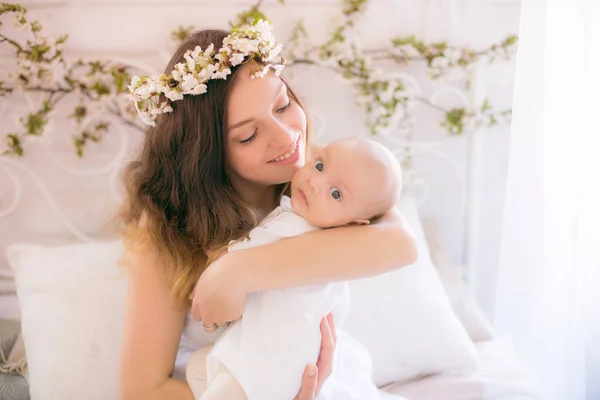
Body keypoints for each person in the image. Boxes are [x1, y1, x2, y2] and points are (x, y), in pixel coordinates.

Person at [118, 20, 417, 400]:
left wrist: (236, 270)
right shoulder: (167, 225)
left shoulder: (319, 181)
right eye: (248, 135)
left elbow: (401, 245)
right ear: (207, 155)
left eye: (283, 105)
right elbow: (141, 390)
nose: (287, 137)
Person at [186, 137, 405, 400]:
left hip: (264, 372)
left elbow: (231, 257)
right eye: (320, 165)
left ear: (357, 223)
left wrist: (215, 256)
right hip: (279, 366)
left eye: (336, 194)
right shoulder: (335, 253)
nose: (314, 183)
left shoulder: (298, 230)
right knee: (197, 367)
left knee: (207, 376)